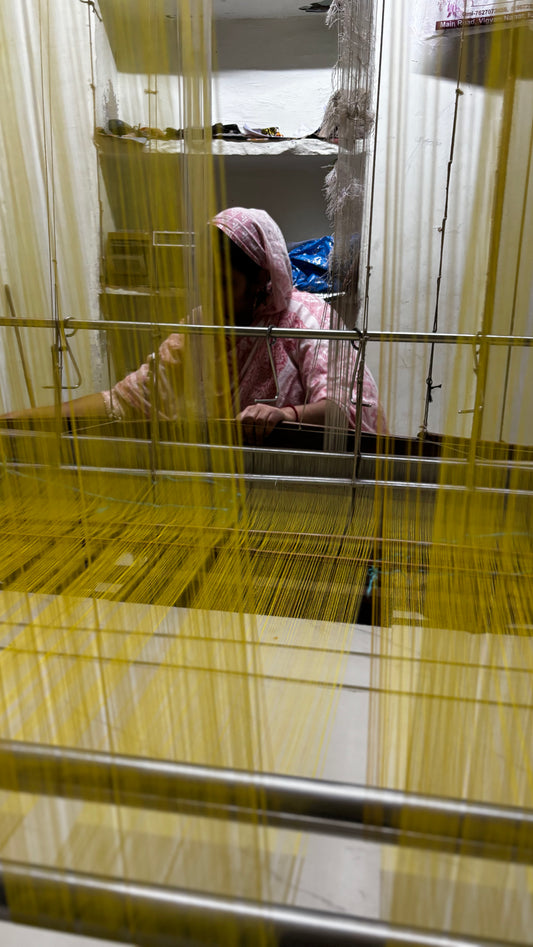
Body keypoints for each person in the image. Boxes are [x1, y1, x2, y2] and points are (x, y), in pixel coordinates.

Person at [3, 207, 386, 441]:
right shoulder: (200, 331)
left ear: (260, 281)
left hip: (310, 491)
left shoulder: (305, 320)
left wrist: (285, 416)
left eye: (225, 283)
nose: (212, 295)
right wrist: (14, 422)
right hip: (233, 488)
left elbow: (348, 408)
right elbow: (122, 402)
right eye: (204, 279)